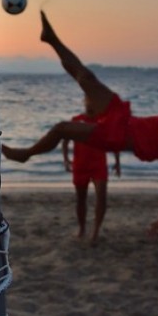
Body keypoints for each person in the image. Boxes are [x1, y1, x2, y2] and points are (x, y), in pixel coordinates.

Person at [1, 12, 158, 237]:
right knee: (86, 78)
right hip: (124, 118)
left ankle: (26, 154)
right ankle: (51, 40)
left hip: (118, 137)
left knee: (62, 128)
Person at [62, 99, 121, 244]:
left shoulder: (103, 121)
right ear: (85, 103)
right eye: (88, 102)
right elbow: (65, 140)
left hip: (99, 165)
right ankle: (82, 228)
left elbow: (114, 141)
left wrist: (117, 162)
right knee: (81, 199)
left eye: (93, 102)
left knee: (102, 197)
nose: (91, 105)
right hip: (80, 165)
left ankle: (95, 231)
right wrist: (66, 159)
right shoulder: (77, 120)